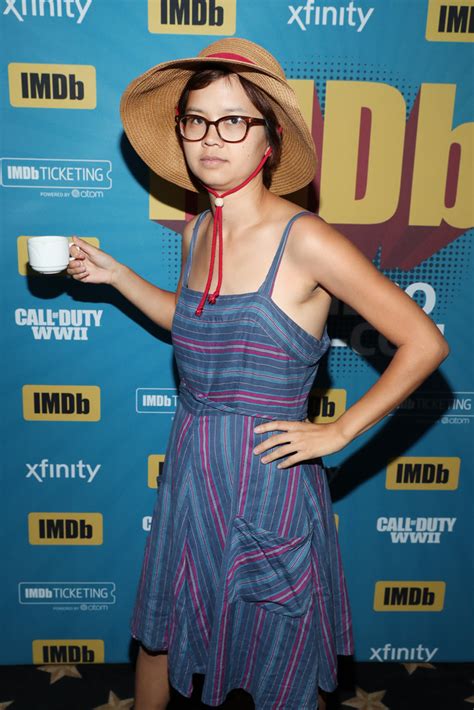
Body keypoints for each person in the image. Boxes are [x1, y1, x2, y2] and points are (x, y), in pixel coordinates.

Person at [67, 38, 449, 710]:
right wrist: (118, 276)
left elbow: (424, 343)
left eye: (234, 121)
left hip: (267, 482)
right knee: (162, 630)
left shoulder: (307, 239)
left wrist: (339, 432)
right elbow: (194, 323)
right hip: (191, 469)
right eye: (196, 119)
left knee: (281, 648)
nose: (211, 137)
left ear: (269, 140)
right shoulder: (197, 230)